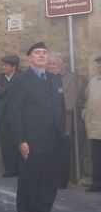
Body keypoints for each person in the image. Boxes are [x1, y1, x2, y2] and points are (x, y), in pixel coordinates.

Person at [6, 42, 65, 212]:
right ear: (29, 58)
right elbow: (13, 113)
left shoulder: (55, 79)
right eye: (37, 53)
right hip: (32, 141)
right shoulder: (21, 81)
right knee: (30, 181)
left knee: (49, 181)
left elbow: (59, 109)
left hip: (54, 141)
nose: (41, 56)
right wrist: (20, 140)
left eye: (44, 53)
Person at [47, 51, 84, 188]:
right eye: (49, 63)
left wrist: (47, 108)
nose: (51, 66)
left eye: (54, 63)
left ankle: (62, 181)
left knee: (62, 155)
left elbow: (69, 104)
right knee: (49, 154)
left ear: (60, 64)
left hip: (64, 125)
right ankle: (50, 179)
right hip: (46, 126)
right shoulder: (44, 77)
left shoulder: (70, 79)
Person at [0, 54, 21, 178]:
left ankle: (21, 168)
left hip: (18, 116)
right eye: (2, 64)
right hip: (3, 116)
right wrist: (6, 90)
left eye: (5, 65)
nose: (2, 67)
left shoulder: (21, 77)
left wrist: (3, 89)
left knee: (19, 142)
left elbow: (17, 93)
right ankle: (10, 169)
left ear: (13, 67)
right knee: (6, 144)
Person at [83, 54, 101, 192]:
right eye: (98, 63)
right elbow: (86, 100)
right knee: (96, 159)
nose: (99, 66)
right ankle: (97, 184)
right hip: (95, 127)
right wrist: (85, 115)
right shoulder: (93, 81)